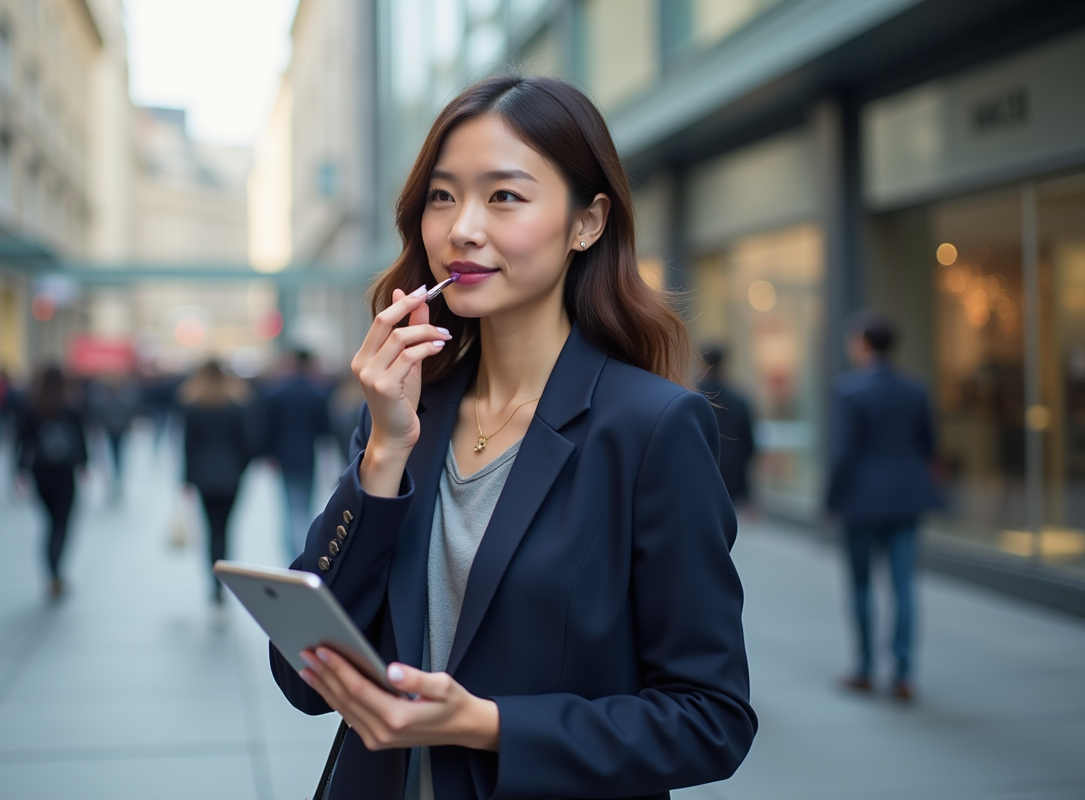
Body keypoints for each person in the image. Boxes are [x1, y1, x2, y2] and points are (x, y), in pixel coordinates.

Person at [270, 75, 755, 799]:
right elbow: (302, 679)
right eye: (442, 196)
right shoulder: (407, 415)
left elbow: (709, 719)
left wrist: (490, 724)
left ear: (586, 223)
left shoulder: (650, 428)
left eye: (504, 196)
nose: (462, 227)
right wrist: (382, 454)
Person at [826, 312, 941, 702]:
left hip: (862, 500)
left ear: (862, 343)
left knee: (860, 584)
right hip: (907, 497)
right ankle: (904, 674)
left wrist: (831, 500)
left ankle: (864, 668)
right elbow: (927, 444)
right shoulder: (915, 389)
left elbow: (844, 454)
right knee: (903, 585)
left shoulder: (849, 391)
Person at [179, 361, 252, 612]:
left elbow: (188, 446)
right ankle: (224, 578)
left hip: (204, 477)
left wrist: (186, 479)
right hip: (231, 475)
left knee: (211, 531)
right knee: (226, 529)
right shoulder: (235, 405)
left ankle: (215, 585)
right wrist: (241, 469)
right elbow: (247, 444)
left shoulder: (193, 406)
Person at [14, 366, 89, 599]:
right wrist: (85, 464)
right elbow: (80, 438)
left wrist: (19, 471)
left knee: (49, 524)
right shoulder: (70, 406)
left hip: (41, 472)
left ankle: (52, 571)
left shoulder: (32, 407)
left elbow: (21, 442)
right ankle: (56, 572)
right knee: (62, 525)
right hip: (65, 473)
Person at [263, 348, 333, 560]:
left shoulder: (277, 393)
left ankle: (294, 556)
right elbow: (325, 431)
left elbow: (268, 428)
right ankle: (304, 551)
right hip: (309, 457)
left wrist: (269, 454)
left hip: (284, 458)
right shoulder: (318, 393)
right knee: (305, 507)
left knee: (290, 509)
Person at [698, 345, 758, 508]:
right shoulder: (738, 399)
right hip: (731, 477)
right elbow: (748, 446)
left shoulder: (690, 397)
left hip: (701, 475)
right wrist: (748, 492)